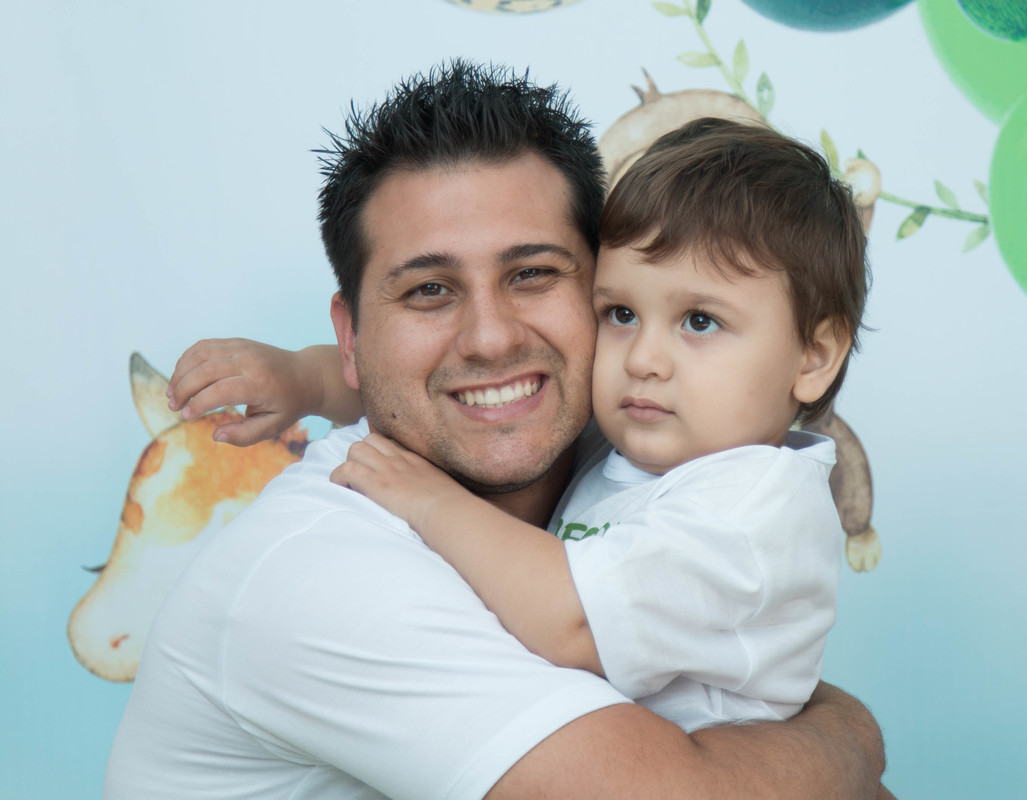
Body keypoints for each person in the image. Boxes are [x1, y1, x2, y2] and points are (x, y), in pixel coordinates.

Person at [107, 61, 888, 799]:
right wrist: (848, 736)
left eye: (533, 274)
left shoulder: (644, 447)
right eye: (428, 291)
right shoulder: (318, 575)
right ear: (354, 339)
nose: (490, 339)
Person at [322, 116, 867, 734]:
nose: (641, 360)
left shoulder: (750, 512)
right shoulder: (647, 444)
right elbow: (430, 379)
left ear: (814, 356)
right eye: (622, 312)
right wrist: (299, 379)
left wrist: (426, 498)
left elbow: (570, 620)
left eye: (700, 322)